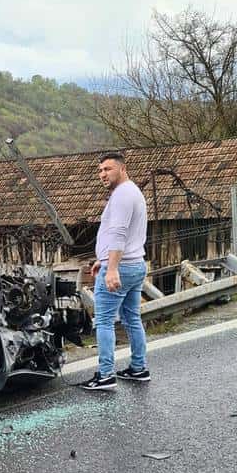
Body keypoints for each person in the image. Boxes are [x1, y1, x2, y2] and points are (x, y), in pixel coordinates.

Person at [80, 151, 150, 392]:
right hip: (135, 264)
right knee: (132, 318)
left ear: (122, 168)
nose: (102, 174)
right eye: (100, 170)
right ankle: (139, 368)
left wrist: (111, 269)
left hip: (121, 267)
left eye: (108, 169)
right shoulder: (133, 192)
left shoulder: (122, 195)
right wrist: (104, 259)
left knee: (104, 321)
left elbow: (119, 234)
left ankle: (105, 374)